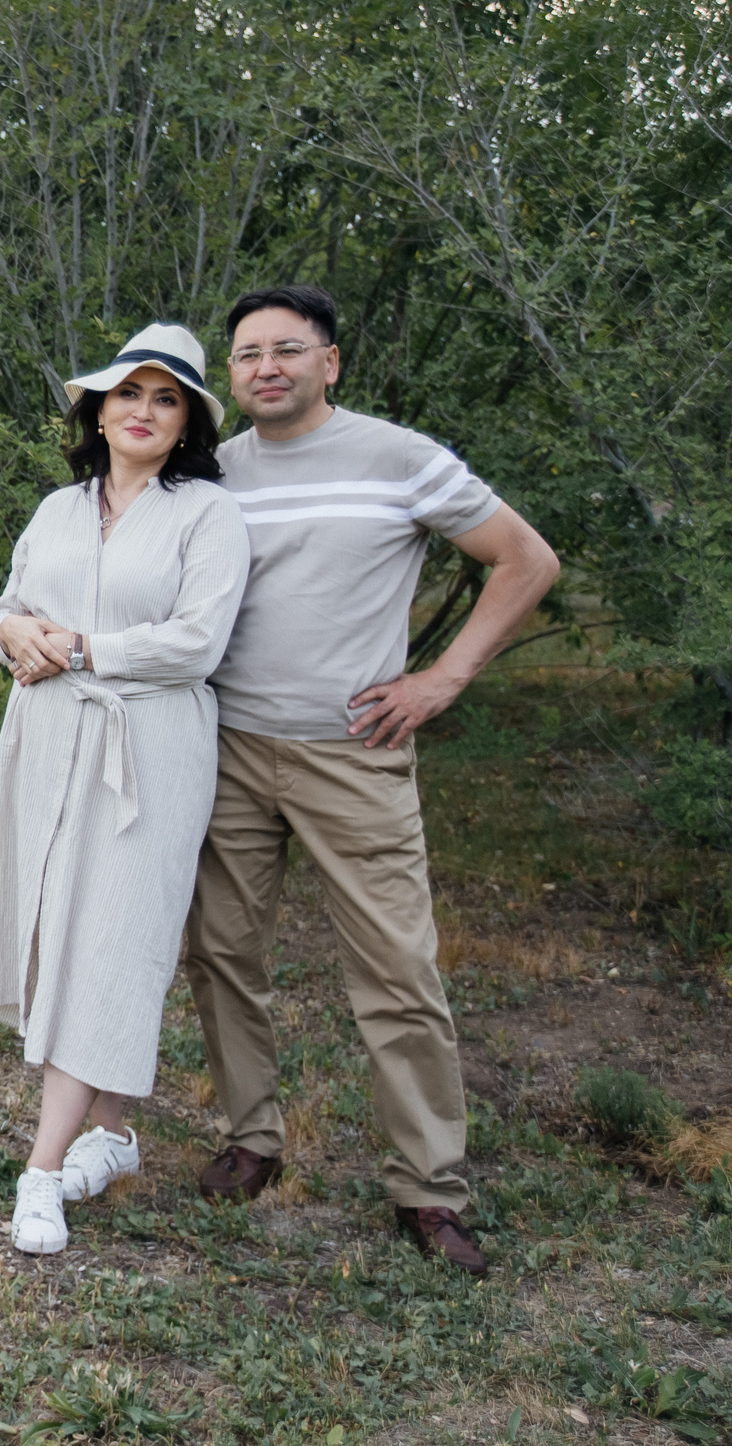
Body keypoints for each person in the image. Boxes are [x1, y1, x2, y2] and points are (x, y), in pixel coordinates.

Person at [184, 284, 560, 1279]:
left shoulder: (396, 458)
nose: (266, 367)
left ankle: (428, 1192)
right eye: (247, 354)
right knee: (222, 955)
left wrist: (445, 677)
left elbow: (524, 559)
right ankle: (250, 1139)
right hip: (223, 751)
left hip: (352, 756)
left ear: (330, 362)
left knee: (397, 975)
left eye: (287, 350)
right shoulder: (211, 474)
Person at [0, 322, 251, 1256]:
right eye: (130, 393)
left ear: (188, 423)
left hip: (147, 748)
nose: (145, 411)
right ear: (99, 406)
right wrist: (13, 637)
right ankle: (113, 1133)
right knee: (61, 929)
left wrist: (81, 645)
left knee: (116, 936)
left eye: (167, 400)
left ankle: (40, 1172)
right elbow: (3, 605)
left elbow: (198, 642)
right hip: (44, 738)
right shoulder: (57, 506)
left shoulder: (209, 516)